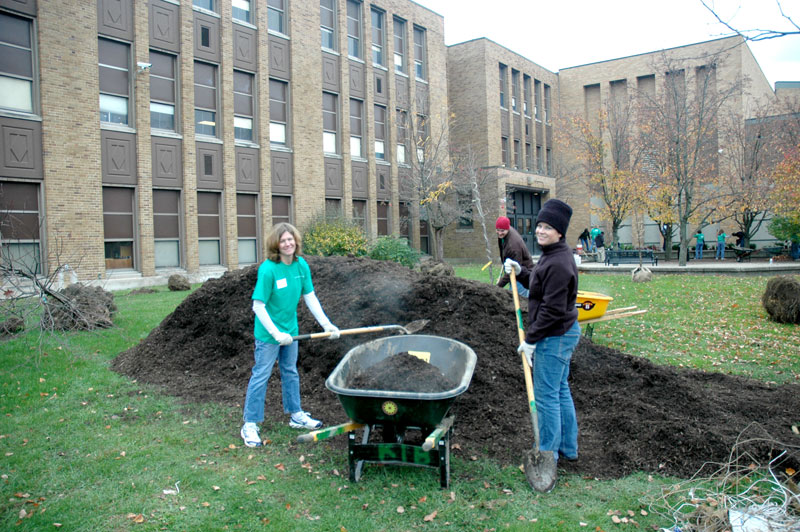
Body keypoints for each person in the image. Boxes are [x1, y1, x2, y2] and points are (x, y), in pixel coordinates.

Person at [503, 199, 581, 491]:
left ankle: (547, 453)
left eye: (548, 227)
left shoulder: (560, 262)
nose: (541, 231)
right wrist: (520, 271)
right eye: (539, 226)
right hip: (560, 333)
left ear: (560, 232)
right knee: (559, 391)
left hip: (555, 335)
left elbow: (551, 309)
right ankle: (568, 449)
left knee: (547, 396)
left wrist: (531, 340)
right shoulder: (553, 255)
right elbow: (538, 279)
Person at [240, 223, 340, 448]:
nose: (288, 244)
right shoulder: (268, 269)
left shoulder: (300, 265)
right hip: (268, 334)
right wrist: (275, 333)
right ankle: (249, 424)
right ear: (276, 244)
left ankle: (296, 415)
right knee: (261, 375)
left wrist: (327, 325)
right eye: (283, 240)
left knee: (290, 372)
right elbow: (258, 306)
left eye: (291, 239)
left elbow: (310, 297)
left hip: (291, 332)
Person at [495, 216, 534, 298]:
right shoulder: (504, 233)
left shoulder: (513, 246)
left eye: (502, 231)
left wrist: (498, 286)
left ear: (507, 229)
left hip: (523, 275)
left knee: (519, 302)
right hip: (516, 273)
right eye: (497, 230)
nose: (499, 233)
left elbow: (512, 270)